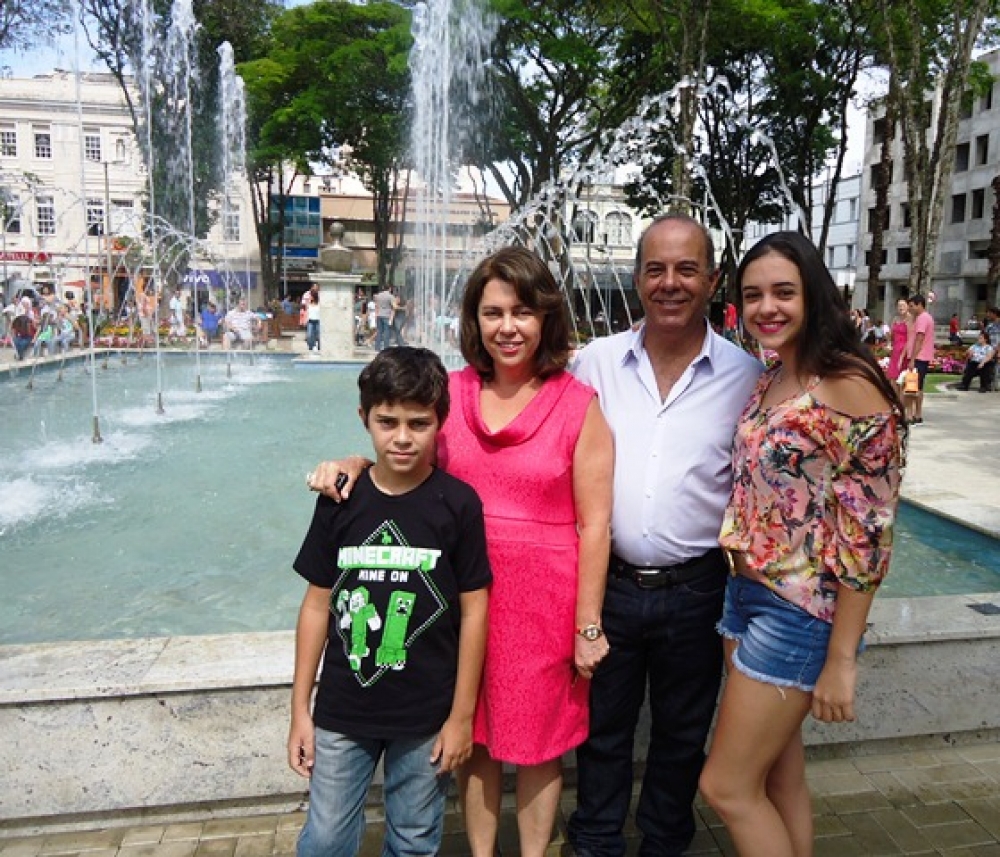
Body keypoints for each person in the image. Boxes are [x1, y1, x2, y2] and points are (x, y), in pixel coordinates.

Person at [309, 246, 614, 857]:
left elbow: (597, 523)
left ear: (546, 317)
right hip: (455, 604)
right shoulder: (451, 394)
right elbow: (402, 455)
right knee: (474, 736)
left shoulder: (579, 405)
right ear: (474, 319)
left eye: (522, 312)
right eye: (492, 312)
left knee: (539, 745)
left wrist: (587, 625)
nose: (508, 327)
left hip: (543, 605)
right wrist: (354, 462)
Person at [699, 231, 905, 857]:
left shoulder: (849, 384)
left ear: (813, 294)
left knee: (726, 787)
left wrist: (842, 660)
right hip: (746, 595)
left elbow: (868, 537)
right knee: (778, 775)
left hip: (800, 613)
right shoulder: (774, 373)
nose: (767, 307)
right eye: (753, 294)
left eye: (783, 292)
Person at [566, 214, 762, 857]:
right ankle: (595, 842)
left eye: (685, 269)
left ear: (711, 279)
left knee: (681, 735)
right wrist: (377, 467)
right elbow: (523, 424)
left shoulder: (746, 377)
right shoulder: (595, 364)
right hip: (611, 586)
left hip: (698, 591)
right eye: (655, 269)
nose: (669, 283)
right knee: (602, 731)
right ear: (637, 279)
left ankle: (665, 844)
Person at [291, 346, 491, 857]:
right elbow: (315, 606)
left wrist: (461, 716)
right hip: (342, 708)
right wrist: (299, 710)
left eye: (418, 423)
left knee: (414, 839)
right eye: (388, 422)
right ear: (364, 418)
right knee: (325, 838)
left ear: (440, 422)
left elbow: (474, 610)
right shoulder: (339, 499)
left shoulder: (458, 505)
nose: (402, 437)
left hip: (426, 713)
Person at [906, 293, 934, 424]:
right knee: (919, 387)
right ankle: (918, 414)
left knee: (912, 386)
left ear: (920, 305)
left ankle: (911, 414)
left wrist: (912, 359)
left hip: (919, 357)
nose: (910, 308)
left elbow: (919, 339)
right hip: (923, 357)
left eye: (912, 306)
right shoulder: (926, 317)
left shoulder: (922, 318)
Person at [886, 298, 911, 395]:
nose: (901, 308)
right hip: (895, 351)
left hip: (905, 352)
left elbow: (910, 339)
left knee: (902, 379)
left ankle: (901, 401)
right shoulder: (895, 319)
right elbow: (891, 336)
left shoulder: (910, 319)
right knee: (892, 378)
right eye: (899, 306)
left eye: (903, 305)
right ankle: (895, 400)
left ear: (908, 306)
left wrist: (902, 356)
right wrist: (889, 341)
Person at [374, 284, 395, 351]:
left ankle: (377, 347)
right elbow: (394, 306)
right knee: (386, 332)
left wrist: (376, 315)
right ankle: (386, 348)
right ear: (389, 289)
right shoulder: (391, 296)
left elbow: (376, 306)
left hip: (379, 315)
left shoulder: (378, 295)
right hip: (387, 315)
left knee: (379, 332)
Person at [305, 285, 321, 352]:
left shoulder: (319, 304)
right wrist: (305, 320)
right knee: (309, 335)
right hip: (310, 321)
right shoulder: (308, 304)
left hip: (318, 321)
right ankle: (311, 346)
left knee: (319, 335)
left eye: (311, 296)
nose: (310, 297)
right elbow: (307, 312)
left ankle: (319, 347)